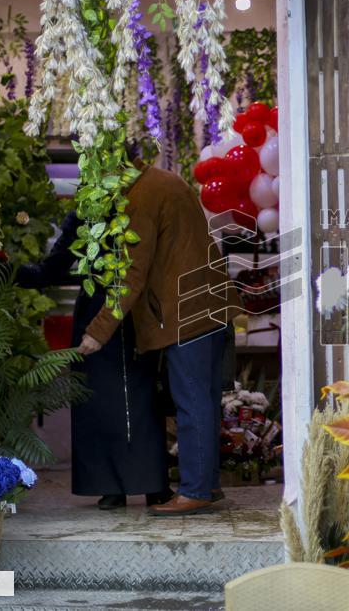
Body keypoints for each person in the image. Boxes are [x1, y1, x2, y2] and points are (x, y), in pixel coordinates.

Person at [77, 161, 241, 517]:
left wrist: (98, 330)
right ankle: (207, 483)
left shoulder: (139, 198)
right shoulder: (163, 180)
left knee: (191, 401)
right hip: (209, 303)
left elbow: (132, 273)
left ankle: (195, 490)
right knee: (206, 400)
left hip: (184, 311)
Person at [18, 211, 173, 510]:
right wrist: (17, 273)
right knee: (110, 398)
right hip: (111, 310)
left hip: (132, 309)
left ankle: (140, 484)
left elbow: (54, 267)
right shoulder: (93, 211)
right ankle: (124, 485)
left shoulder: (133, 202)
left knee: (137, 395)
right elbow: (56, 265)